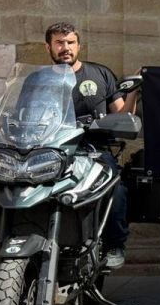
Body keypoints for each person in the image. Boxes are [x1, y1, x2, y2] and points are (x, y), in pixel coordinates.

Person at [44, 21, 137, 270]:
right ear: (49, 47)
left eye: (70, 43)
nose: (66, 48)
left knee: (116, 188)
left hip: (93, 151)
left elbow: (121, 116)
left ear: (79, 45)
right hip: (49, 152)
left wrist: (134, 93)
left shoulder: (100, 74)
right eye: (59, 43)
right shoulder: (38, 80)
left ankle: (114, 244)